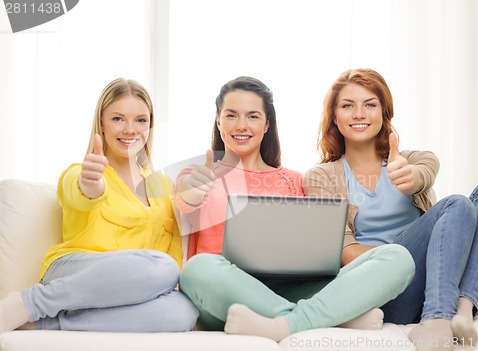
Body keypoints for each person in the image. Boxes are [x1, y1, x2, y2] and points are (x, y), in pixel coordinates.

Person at [175, 76, 416, 342]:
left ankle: (287, 322)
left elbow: (316, 246)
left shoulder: (294, 180)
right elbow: (184, 199)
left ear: (267, 124)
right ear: (218, 121)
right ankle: (330, 317)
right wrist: (193, 189)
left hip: (291, 287)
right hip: (226, 291)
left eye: (253, 116)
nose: (241, 125)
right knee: (197, 269)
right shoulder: (199, 174)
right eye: (231, 115)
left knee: (397, 257)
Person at [303, 68, 478, 350]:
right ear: (334, 116)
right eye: (348, 106)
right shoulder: (321, 177)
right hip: (386, 291)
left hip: (436, 281)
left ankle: (464, 306)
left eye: (370, 104)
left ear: (384, 113)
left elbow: (424, 173)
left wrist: (412, 180)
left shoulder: (413, 159)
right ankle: (438, 317)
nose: (359, 113)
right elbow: (344, 252)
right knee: (456, 205)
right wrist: (405, 260)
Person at [0, 78, 198, 333]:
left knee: (184, 311)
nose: (130, 129)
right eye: (117, 119)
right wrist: (91, 187)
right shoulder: (82, 172)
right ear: (101, 125)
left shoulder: (162, 184)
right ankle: (29, 304)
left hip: (132, 287)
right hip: (75, 271)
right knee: (163, 266)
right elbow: (78, 191)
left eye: (140, 120)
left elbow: (173, 258)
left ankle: (44, 325)